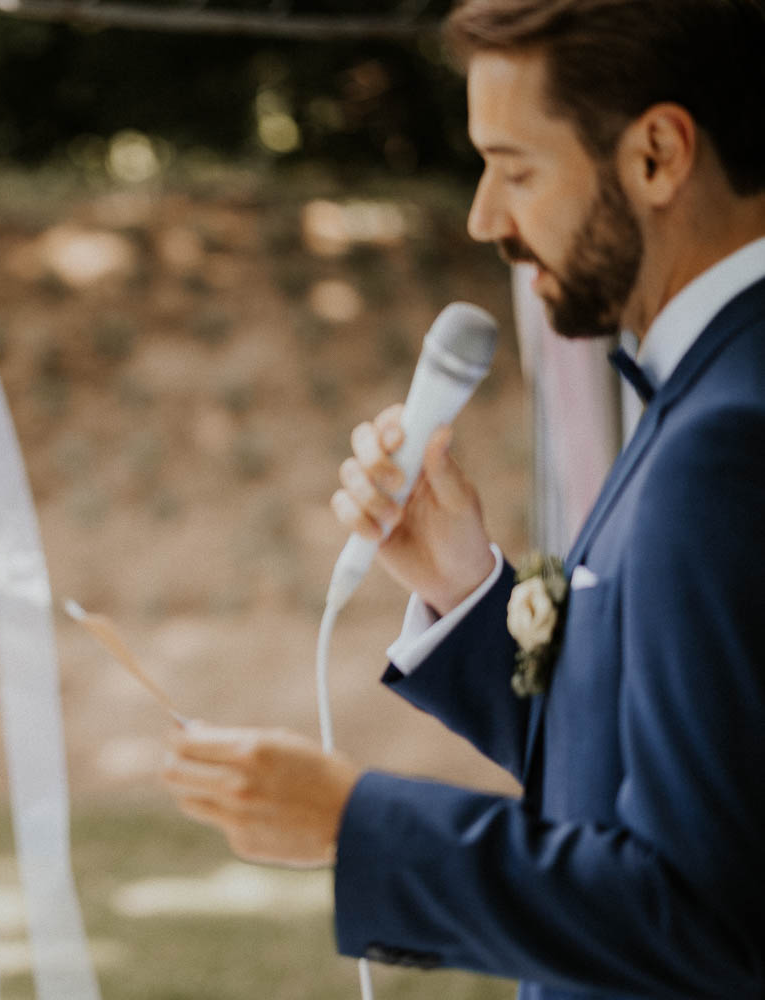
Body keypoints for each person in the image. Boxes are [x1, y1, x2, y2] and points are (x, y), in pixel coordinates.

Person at [162, 1, 765, 996]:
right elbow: (644, 778)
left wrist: (354, 824)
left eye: (517, 168)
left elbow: (703, 915)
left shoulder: (727, 439)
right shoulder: (706, 389)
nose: (486, 217)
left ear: (657, 154)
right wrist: (467, 588)